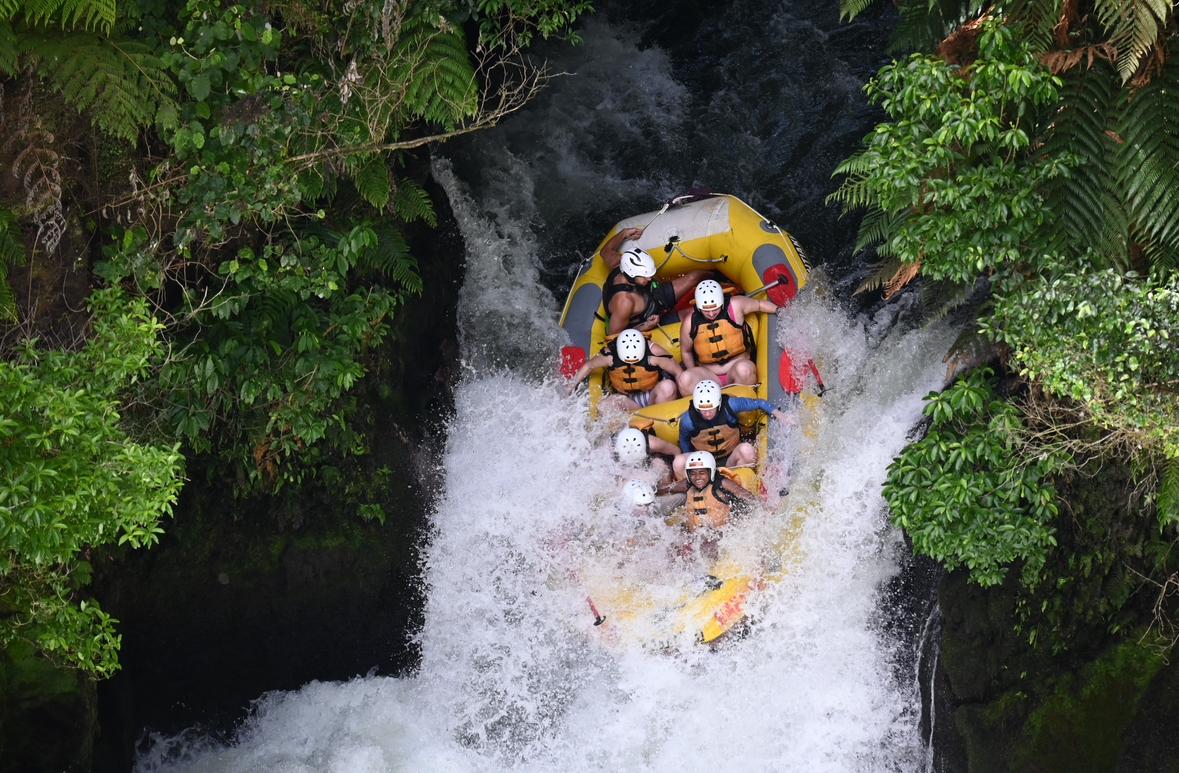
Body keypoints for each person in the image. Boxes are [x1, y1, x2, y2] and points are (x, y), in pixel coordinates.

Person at [677, 278, 782, 394]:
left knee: (744, 370)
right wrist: (693, 370)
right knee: (684, 379)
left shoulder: (735, 305)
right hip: (709, 376)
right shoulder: (689, 322)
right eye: (706, 310)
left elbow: (759, 305)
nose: (711, 314)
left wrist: (780, 311)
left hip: (737, 368)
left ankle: (748, 409)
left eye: (715, 308)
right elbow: (686, 351)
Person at [673, 379, 790, 478]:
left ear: (718, 404)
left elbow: (758, 403)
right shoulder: (688, 420)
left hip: (732, 458)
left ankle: (749, 482)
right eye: (703, 410)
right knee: (678, 462)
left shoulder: (730, 405)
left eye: (710, 409)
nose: (707, 414)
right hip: (705, 464)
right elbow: (685, 444)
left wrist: (781, 416)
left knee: (747, 450)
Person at [602, 239, 709, 334]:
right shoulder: (624, 302)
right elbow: (613, 334)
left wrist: (624, 233)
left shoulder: (620, 264)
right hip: (652, 320)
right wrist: (646, 326)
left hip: (656, 294)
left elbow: (605, 252)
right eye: (645, 276)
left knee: (695, 277)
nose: (649, 278)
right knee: (693, 314)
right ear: (631, 274)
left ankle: (720, 278)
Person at [568, 328, 682, 409]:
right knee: (605, 405)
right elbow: (589, 365)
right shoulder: (610, 356)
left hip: (654, 395)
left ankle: (659, 424)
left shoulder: (654, 351)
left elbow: (677, 372)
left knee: (668, 386)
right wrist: (571, 386)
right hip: (630, 400)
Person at [660, 451, 756, 534]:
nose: (697, 478)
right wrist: (652, 492)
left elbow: (749, 498)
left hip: (721, 533)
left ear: (711, 472)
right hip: (696, 534)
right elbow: (668, 488)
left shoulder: (723, 483)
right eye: (692, 473)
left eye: (702, 473)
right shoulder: (687, 484)